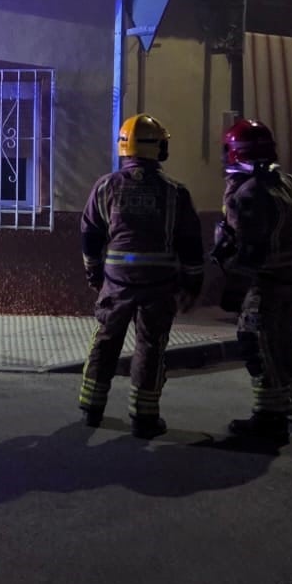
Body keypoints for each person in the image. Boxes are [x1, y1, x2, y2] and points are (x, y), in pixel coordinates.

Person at [78, 114, 204, 438]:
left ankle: (92, 408)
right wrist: (192, 283)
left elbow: (90, 234)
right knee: (150, 345)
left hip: (117, 282)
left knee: (105, 340)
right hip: (158, 285)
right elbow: (190, 243)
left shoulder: (106, 186)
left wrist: (94, 273)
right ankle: (144, 417)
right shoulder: (175, 193)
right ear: (156, 147)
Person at [210, 117, 292, 444]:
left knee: (255, 340)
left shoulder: (248, 193)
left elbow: (248, 248)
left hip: (262, 280)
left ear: (236, 152)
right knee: (281, 337)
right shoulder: (286, 181)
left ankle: (269, 417)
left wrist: (232, 289)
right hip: (289, 273)